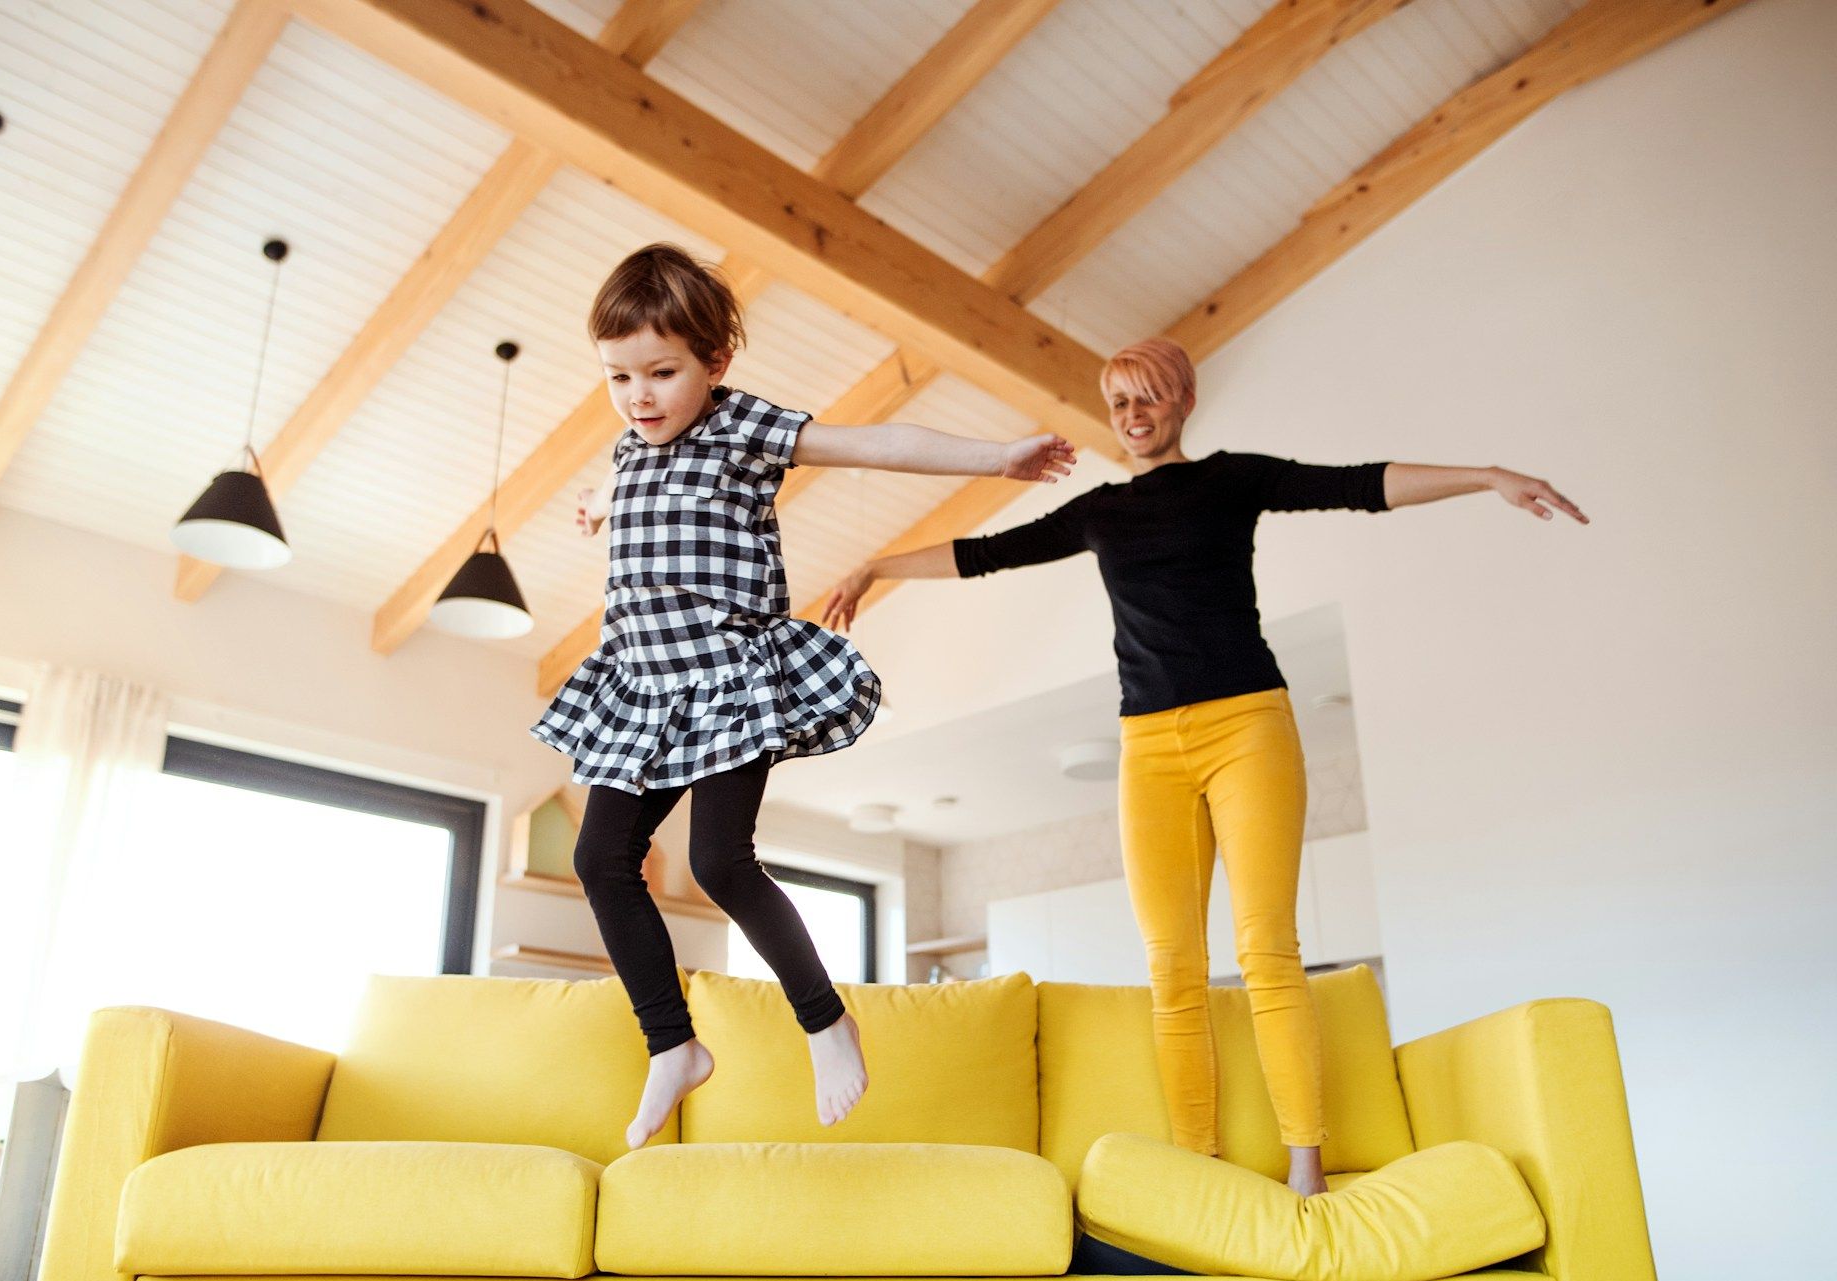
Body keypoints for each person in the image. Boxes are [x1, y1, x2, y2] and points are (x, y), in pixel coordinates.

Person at [822, 336, 1586, 1195]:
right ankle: (1200, 1166)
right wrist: (877, 563)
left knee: (1267, 949)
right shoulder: (1101, 512)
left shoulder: (1233, 480)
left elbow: (1361, 484)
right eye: (1119, 402)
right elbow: (982, 553)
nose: (1133, 415)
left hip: (1248, 726)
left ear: (1183, 400)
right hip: (1149, 746)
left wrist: (1487, 475)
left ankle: (1307, 1169)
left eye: (1148, 397)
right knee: (1171, 966)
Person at [530, 244, 1076, 1151]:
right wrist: (598, 506)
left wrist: (998, 458)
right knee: (599, 858)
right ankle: (672, 1044)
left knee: (720, 861)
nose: (639, 396)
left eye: (662, 372)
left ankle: (826, 1021)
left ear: (715, 362)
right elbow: (629, 489)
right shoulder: (629, 447)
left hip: (728, 678)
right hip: (644, 682)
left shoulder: (743, 427)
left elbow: (876, 444)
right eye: (619, 376)